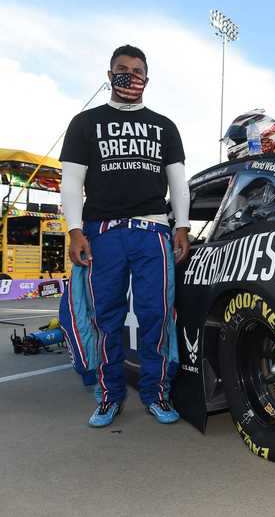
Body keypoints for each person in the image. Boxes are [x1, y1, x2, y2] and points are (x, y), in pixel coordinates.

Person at [59, 44, 191, 427]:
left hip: (152, 231)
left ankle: (156, 393)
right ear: (109, 74)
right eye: (121, 69)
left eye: (136, 70)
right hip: (103, 232)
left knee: (158, 315)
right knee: (105, 319)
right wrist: (74, 230)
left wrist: (181, 225)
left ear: (146, 79)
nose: (129, 76)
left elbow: (178, 182)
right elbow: (71, 182)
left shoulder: (164, 125)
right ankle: (109, 394)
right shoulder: (85, 123)